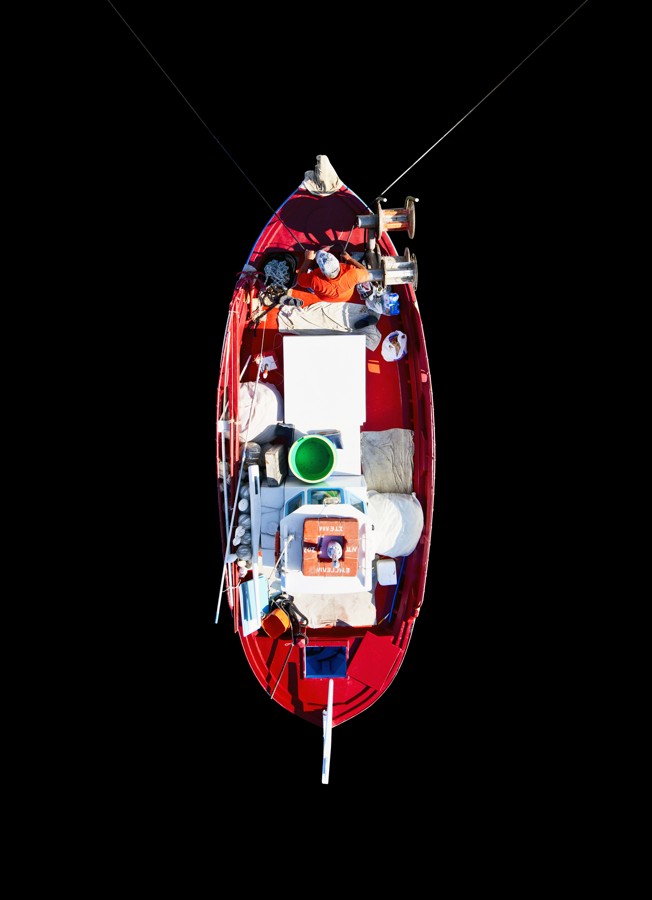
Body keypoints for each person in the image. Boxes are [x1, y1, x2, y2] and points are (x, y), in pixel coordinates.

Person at [282, 248, 371, 306]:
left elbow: (300, 280)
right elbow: (365, 272)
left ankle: (312, 290)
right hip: (346, 296)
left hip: (325, 296)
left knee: (310, 284)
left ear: (322, 272)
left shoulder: (315, 280)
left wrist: (307, 259)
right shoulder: (354, 274)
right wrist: (349, 259)